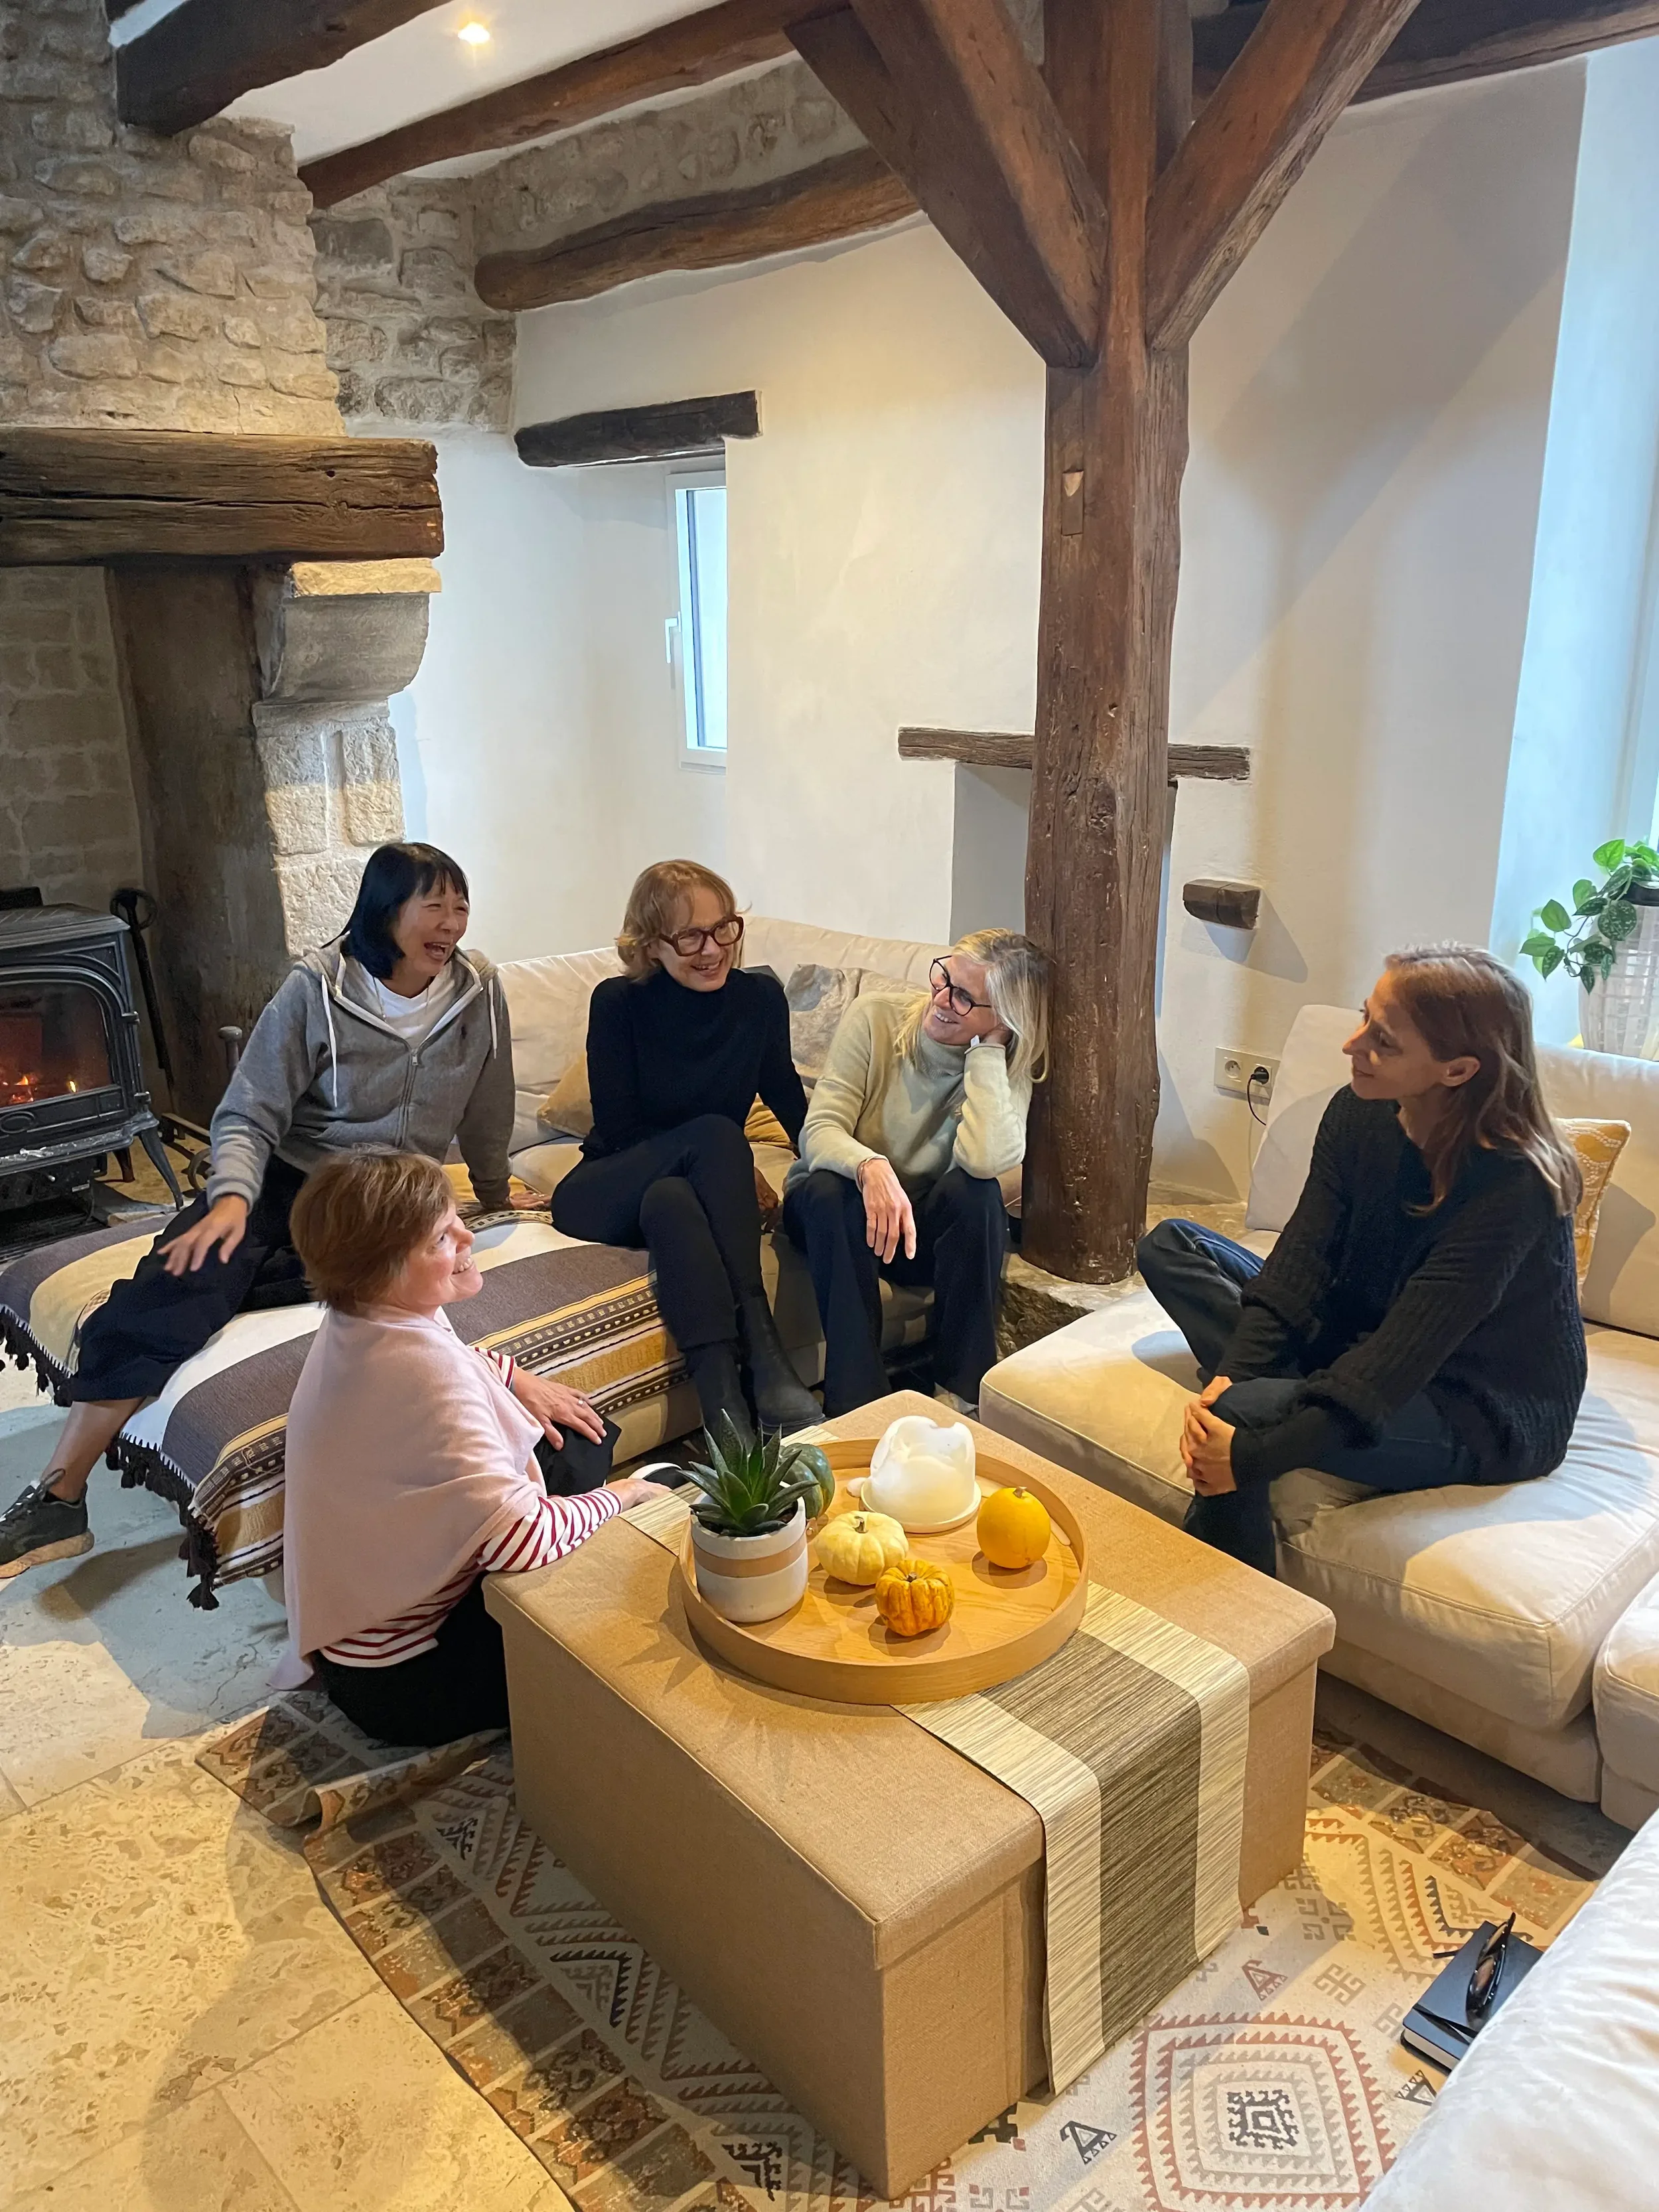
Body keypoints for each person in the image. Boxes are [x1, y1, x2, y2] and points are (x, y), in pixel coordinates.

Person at [1, 841, 517, 1581]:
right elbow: (248, 1111)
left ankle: (252, 1280)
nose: (451, 924)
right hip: (289, 1182)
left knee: (355, 1285)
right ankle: (59, 1498)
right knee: (174, 1284)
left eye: (459, 906)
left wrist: (496, 1194)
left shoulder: (479, 990)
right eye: (432, 905)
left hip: (388, 1205)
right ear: (386, 911)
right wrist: (233, 1197)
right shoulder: (318, 986)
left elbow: (490, 1105)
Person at [1137, 944, 1588, 1580]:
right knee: (1172, 1247)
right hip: (1365, 1336)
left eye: (1383, 1040)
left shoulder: (1513, 1188)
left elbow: (1399, 1360)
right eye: (1363, 1018)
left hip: (1474, 1403)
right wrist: (1233, 1375)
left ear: (1457, 1070)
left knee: (1240, 1421)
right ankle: (1286, 1391)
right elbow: (1301, 1261)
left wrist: (1247, 1450)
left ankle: (1238, 1636)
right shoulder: (1358, 1109)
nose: (1353, 1045)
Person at [276, 1149, 662, 1744]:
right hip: (410, 1682)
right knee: (621, 1606)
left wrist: (518, 1379)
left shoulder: (359, 1317)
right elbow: (524, 1540)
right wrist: (628, 1495)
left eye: (457, 1217)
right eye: (441, 1239)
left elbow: (458, 1359)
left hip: (353, 1647)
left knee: (579, 1439)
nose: (467, 1235)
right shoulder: (428, 1376)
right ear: (385, 1270)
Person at [551, 860, 818, 1440]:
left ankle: (725, 1410)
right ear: (649, 945)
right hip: (605, 1187)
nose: (712, 948)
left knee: (675, 1200)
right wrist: (732, 1172)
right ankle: (765, 1351)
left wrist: (852, 1167)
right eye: (690, 935)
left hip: (679, 1191)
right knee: (717, 1135)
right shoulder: (619, 1003)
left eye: (724, 928)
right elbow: (621, 1131)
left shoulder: (760, 1000)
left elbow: (792, 1104)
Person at [782, 929, 1050, 1417]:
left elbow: (986, 1161)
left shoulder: (1004, 1066)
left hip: (910, 1231)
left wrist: (986, 1055)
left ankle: (960, 1394)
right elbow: (819, 1129)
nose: (943, 999)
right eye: (945, 977)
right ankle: (857, 1404)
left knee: (977, 1196)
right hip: (834, 1215)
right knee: (829, 1189)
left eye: (967, 998)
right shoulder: (876, 1018)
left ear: (1004, 1022)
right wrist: (869, 1166)